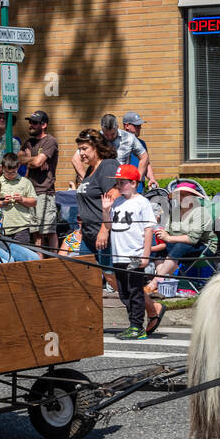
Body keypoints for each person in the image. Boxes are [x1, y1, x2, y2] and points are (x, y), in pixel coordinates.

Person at [105, 164, 157, 340]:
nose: (119, 185)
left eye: (123, 182)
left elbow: (149, 229)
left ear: (134, 183)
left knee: (135, 291)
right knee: (124, 292)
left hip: (134, 254)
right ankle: (132, 324)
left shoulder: (142, 202)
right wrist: (106, 211)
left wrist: (146, 254)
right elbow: (109, 227)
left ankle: (137, 326)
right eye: (117, 182)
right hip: (118, 254)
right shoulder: (117, 202)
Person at [73, 129, 120, 294]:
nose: (81, 153)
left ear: (97, 147)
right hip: (88, 235)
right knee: (83, 275)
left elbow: (113, 198)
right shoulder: (90, 170)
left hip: (103, 234)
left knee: (111, 278)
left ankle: (148, 307)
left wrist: (104, 229)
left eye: (84, 148)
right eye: (79, 149)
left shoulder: (107, 165)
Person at [147, 179, 212, 289]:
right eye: (179, 195)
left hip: (202, 247)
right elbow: (166, 230)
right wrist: (160, 234)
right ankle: (164, 281)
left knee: (180, 246)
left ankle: (155, 282)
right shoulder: (175, 211)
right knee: (158, 242)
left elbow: (193, 239)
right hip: (177, 245)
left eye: (184, 195)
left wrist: (169, 238)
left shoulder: (200, 212)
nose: (181, 198)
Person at [20, 110, 60, 250]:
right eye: (30, 122)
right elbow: (19, 159)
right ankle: (40, 262)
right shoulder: (28, 142)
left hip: (45, 191)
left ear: (44, 125)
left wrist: (30, 160)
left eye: (34, 122)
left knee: (49, 231)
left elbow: (36, 163)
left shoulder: (50, 141)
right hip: (30, 192)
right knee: (36, 233)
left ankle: (55, 261)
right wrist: (32, 159)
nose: (30, 125)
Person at [0, 152, 37, 244]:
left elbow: (34, 202)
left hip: (21, 226)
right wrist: (2, 202)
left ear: (18, 167)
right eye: (7, 172)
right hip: (3, 227)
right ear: (2, 168)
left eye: (13, 172)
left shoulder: (25, 182)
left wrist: (22, 199)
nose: (10, 175)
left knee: (23, 254)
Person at [120, 112, 156, 192]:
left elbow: (146, 164)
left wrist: (152, 178)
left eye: (140, 125)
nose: (140, 128)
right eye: (136, 126)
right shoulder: (119, 143)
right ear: (127, 126)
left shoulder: (142, 143)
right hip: (124, 190)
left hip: (139, 189)